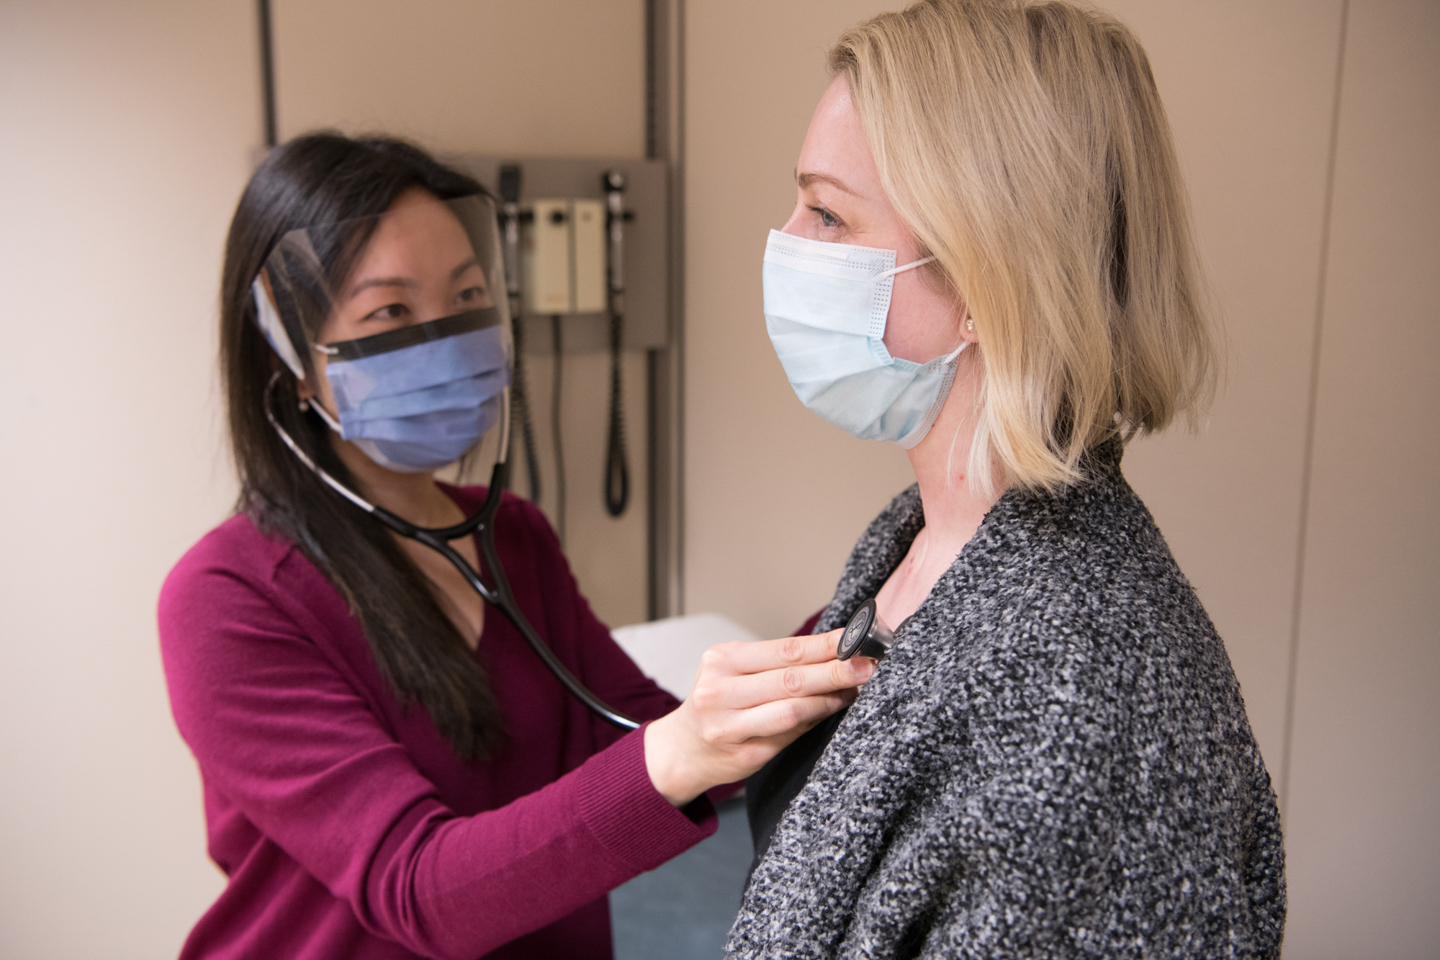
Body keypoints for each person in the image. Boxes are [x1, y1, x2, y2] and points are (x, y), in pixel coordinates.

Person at [158, 133, 874, 960]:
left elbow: (649, 735)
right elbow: (419, 889)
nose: (445, 339)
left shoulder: (511, 537)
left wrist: (872, 609)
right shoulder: (225, 599)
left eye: (467, 297)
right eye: (390, 312)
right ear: (285, 357)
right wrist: (682, 749)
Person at [728, 1, 1286, 957]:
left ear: (990, 278)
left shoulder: (1087, 701)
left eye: (826, 211)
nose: (784, 242)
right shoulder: (921, 535)